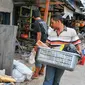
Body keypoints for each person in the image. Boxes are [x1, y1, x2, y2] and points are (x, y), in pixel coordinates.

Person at [43, 14, 82, 85]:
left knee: (56, 81)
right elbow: (47, 44)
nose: (51, 25)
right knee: (48, 81)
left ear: (58, 21)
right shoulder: (52, 32)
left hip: (63, 61)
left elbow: (77, 43)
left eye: (52, 23)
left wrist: (79, 52)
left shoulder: (71, 31)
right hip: (51, 59)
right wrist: (40, 46)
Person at [31, 9, 48, 79]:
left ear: (33, 16)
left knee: (38, 57)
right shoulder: (44, 22)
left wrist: (37, 45)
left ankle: (36, 74)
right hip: (45, 42)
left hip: (40, 43)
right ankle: (42, 71)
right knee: (43, 57)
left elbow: (39, 34)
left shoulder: (36, 22)